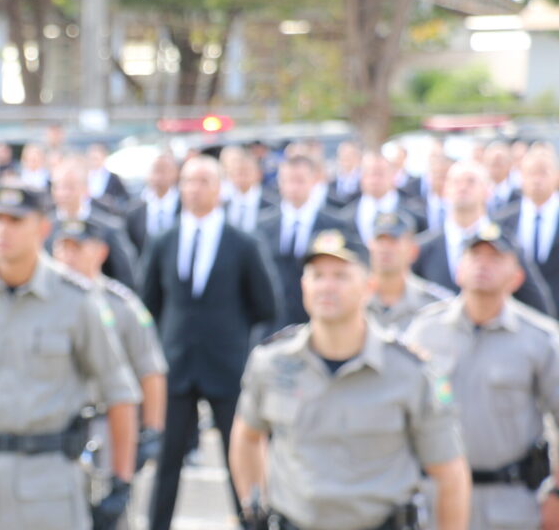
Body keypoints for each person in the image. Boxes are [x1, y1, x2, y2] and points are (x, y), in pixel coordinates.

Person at [0, 181, 140, 530]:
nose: (2, 230)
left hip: (49, 482)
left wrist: (121, 481)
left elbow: (119, 392)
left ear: (42, 227)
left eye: (15, 220)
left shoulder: (76, 300)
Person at [229, 229, 471, 530]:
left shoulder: (410, 371)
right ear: (303, 285)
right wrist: (253, 508)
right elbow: (247, 435)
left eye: (341, 276)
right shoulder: (273, 362)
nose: (327, 287)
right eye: (317, 275)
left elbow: (449, 473)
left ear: (369, 286)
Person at [138, 156, 278, 530]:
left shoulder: (242, 242)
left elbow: (266, 303)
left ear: (219, 188)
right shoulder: (164, 240)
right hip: (177, 365)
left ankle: (252, 524)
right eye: (187, 181)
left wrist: (229, 332)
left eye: (202, 181)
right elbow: (147, 301)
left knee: (239, 459)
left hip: (226, 366)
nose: (193, 189)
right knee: (167, 462)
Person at [406, 223, 559, 530]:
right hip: (434, 500)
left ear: (516, 277)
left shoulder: (540, 339)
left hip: (511, 503)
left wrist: (556, 495)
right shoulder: (424, 331)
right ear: (459, 270)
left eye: (495, 258)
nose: (483, 265)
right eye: (475, 256)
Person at [51, 219, 167, 472]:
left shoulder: (122, 306)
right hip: (53, 425)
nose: (67, 257)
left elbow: (151, 369)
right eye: (62, 248)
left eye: (77, 248)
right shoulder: (42, 304)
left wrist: (152, 431)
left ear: (100, 252)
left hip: (106, 424)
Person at [413, 160, 555, 316]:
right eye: (455, 182)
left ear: (488, 191)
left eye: (471, 181)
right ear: (445, 190)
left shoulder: (507, 246)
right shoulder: (423, 247)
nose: (462, 187)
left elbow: (538, 307)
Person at [254, 155, 350, 328]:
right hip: (273, 323)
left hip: (316, 321)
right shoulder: (263, 226)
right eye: (288, 180)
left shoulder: (335, 224)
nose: (293, 187)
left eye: (300, 180)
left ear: (313, 181)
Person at [49, 157, 138, 289]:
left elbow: (125, 278)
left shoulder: (108, 227)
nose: (63, 193)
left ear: (86, 189)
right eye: (58, 187)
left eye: (70, 187)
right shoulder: (45, 227)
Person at [495, 144, 559, 313]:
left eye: (543, 173)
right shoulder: (502, 221)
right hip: (519, 315)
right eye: (531, 173)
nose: (537, 180)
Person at [365, 212, 453, 334]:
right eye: (380, 241)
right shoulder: (354, 298)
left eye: (393, 241)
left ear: (413, 251)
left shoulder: (435, 304)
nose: (385, 248)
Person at [337, 152, 426, 244]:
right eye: (370, 174)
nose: (374, 180)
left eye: (380, 174)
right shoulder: (345, 217)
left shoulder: (415, 215)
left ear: (393, 175)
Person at [125, 151, 180, 255]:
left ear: (176, 173)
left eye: (164, 170)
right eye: (155, 170)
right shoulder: (134, 211)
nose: (159, 176)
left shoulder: (184, 206)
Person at [87, 143, 129, 213]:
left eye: (96, 158)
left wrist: (111, 201)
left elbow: (124, 198)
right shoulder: (85, 177)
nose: (94, 162)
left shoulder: (113, 178)